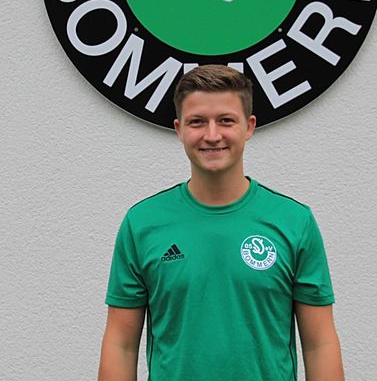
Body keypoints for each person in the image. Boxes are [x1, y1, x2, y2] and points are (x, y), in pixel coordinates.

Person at [98, 65, 344, 381]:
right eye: (197, 122)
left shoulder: (294, 222)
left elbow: (319, 343)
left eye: (226, 120)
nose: (212, 135)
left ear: (249, 126)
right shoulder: (142, 223)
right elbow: (120, 345)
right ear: (179, 129)